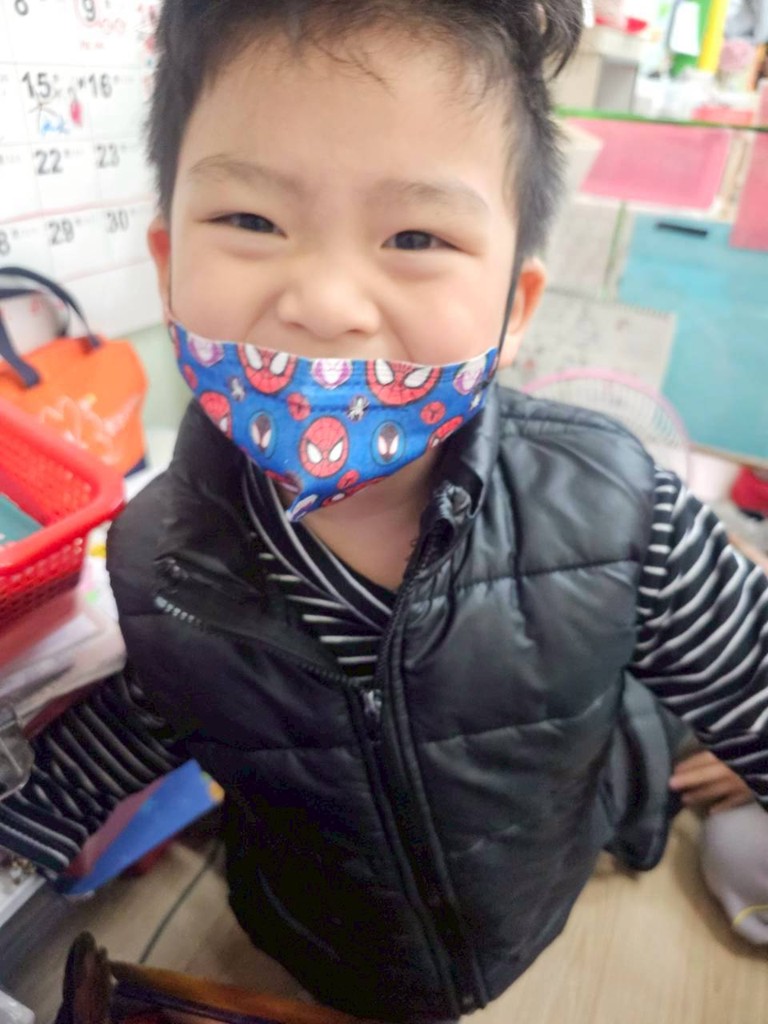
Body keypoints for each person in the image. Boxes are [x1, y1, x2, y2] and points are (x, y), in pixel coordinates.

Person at [2, 2, 768, 1020]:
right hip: (306, 934)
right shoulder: (159, 561)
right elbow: (125, 731)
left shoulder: (623, 512)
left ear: (515, 305)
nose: (325, 303)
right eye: (251, 221)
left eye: (416, 235)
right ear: (167, 263)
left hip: (527, 909)